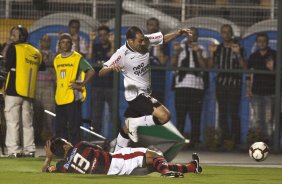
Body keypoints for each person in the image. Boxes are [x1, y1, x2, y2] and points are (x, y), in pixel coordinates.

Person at [99, 26, 192, 151]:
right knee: (164, 116)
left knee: (126, 128)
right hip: (136, 95)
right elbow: (101, 72)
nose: (143, 42)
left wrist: (178, 33)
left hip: (145, 92)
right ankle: (133, 124)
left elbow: (163, 39)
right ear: (130, 41)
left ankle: (116, 155)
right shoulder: (121, 54)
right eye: (140, 41)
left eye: (143, 39)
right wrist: (111, 67)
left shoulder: (146, 40)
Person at [42, 137, 202, 177]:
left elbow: (46, 172)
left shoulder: (63, 166)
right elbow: (101, 148)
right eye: (67, 142)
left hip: (111, 173)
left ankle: (191, 167)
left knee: (153, 164)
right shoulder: (80, 145)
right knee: (154, 155)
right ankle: (167, 173)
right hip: (116, 160)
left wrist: (48, 158)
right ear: (65, 146)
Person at [4, 25, 44, 157]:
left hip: (13, 90)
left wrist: (7, 48)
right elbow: (42, 66)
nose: (12, 37)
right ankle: (29, 150)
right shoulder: (35, 51)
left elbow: (7, 65)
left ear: (21, 36)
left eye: (14, 34)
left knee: (12, 122)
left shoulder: (13, 48)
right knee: (28, 124)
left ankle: (14, 150)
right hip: (28, 92)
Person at [208, 24, 247, 147]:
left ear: (232, 34)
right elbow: (210, 66)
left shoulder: (238, 47)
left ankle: (236, 140)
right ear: (221, 34)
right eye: (224, 32)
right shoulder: (218, 48)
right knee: (223, 112)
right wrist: (212, 54)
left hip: (234, 84)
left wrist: (238, 53)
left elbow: (244, 67)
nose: (226, 34)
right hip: (221, 84)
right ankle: (224, 138)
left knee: (234, 112)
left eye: (228, 32)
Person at [53, 33, 95, 145]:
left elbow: (91, 71)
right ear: (59, 44)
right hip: (60, 98)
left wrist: (81, 84)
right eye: (63, 42)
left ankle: (75, 152)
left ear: (72, 44)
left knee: (74, 128)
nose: (65, 44)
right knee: (60, 128)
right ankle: (62, 152)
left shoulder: (77, 58)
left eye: (68, 42)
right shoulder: (57, 59)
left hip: (73, 98)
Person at [170, 27, 208, 147]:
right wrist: (176, 53)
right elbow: (172, 64)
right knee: (180, 115)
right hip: (181, 85)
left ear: (197, 36)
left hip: (196, 86)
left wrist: (198, 53)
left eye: (194, 34)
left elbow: (204, 67)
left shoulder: (202, 48)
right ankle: (179, 140)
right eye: (189, 34)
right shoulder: (179, 48)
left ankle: (195, 140)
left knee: (195, 115)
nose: (191, 36)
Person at [246, 32, 276, 144]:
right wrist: (248, 88)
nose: (262, 43)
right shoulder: (254, 56)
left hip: (271, 92)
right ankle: (258, 141)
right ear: (257, 43)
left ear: (267, 42)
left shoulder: (274, 54)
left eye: (264, 41)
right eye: (259, 41)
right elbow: (248, 73)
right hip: (257, 92)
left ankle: (269, 143)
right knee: (257, 119)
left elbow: (278, 73)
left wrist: (272, 68)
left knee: (269, 119)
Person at [87, 25, 115, 135]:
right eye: (101, 35)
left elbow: (113, 58)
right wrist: (91, 41)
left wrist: (112, 43)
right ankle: (95, 137)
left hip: (110, 85)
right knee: (96, 113)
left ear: (109, 36)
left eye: (105, 35)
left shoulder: (113, 47)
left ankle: (116, 136)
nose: (103, 37)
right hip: (97, 85)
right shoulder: (95, 46)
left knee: (114, 113)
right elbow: (89, 58)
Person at [33, 35, 56, 144]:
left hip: (48, 85)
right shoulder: (36, 54)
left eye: (48, 40)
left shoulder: (53, 56)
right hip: (36, 85)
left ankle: (48, 139)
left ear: (50, 43)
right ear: (40, 41)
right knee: (36, 112)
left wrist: (48, 64)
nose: (45, 42)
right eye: (44, 40)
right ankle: (36, 137)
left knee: (49, 112)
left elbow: (55, 72)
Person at [146, 17, 168, 103]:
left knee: (157, 110)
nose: (153, 27)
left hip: (158, 83)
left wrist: (158, 49)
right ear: (147, 26)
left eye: (156, 25)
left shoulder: (164, 43)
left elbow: (163, 62)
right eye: (151, 25)